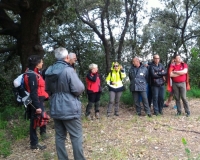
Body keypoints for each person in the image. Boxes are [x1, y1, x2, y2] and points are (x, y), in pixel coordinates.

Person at [45, 47, 86, 160]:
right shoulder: (68, 70)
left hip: (55, 107)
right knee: (76, 136)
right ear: (67, 57)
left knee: (59, 136)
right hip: (69, 107)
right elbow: (78, 89)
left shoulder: (49, 70)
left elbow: (47, 89)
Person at [24, 55, 49, 150]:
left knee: (38, 120)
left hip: (37, 100)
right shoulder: (32, 75)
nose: (42, 63)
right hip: (36, 102)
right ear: (36, 64)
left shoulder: (32, 73)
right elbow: (33, 92)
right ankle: (34, 143)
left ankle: (37, 140)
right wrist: (37, 106)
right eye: (41, 62)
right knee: (34, 122)